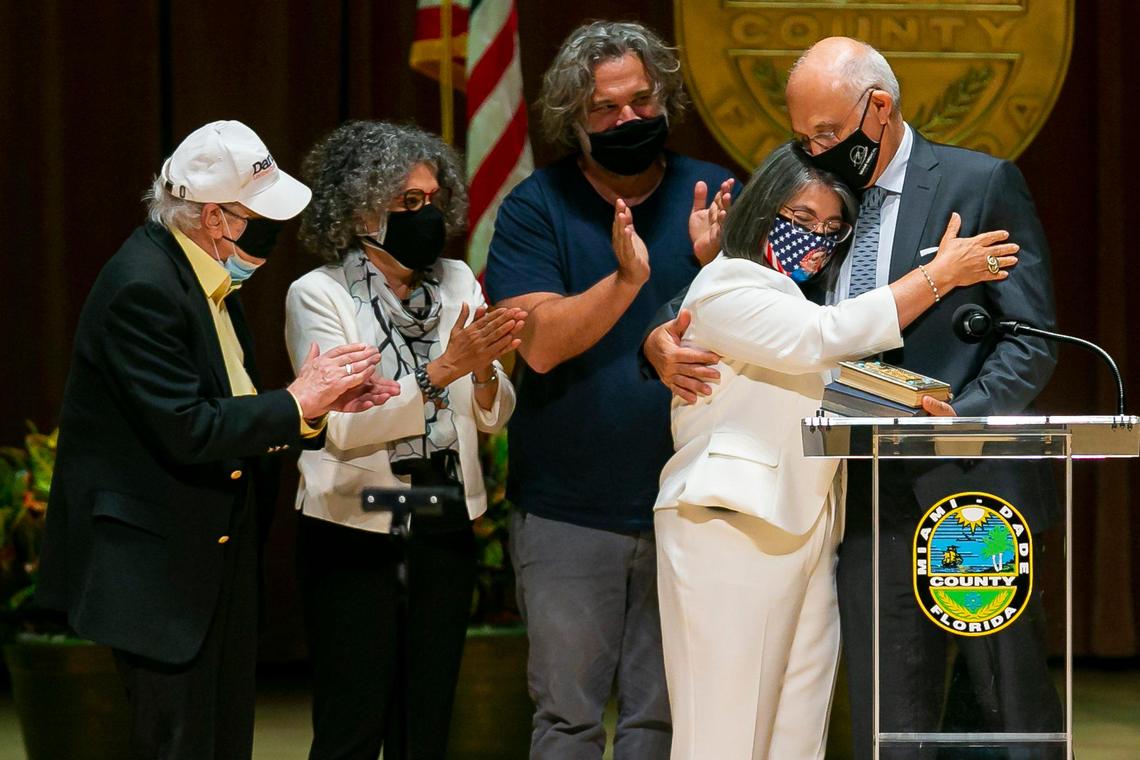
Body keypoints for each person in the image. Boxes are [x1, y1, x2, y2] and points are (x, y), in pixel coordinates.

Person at [649, 38, 1062, 759]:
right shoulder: (807, 200)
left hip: (963, 487)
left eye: (829, 134)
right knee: (885, 715)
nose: (815, 149)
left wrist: (951, 423)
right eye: (802, 137)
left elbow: (1029, 339)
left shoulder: (979, 182)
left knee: (1006, 698)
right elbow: (776, 318)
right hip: (849, 500)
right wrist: (656, 338)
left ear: (880, 107)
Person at [36, 120, 397, 760]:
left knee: (223, 741)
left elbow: (232, 407)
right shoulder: (144, 287)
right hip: (159, 577)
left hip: (213, 560)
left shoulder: (202, 280)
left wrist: (313, 410)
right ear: (213, 217)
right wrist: (295, 400)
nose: (270, 237)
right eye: (260, 219)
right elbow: (190, 427)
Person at [483, 20, 736, 760]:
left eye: (642, 100)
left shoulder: (716, 194)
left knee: (662, 721)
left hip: (690, 505)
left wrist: (720, 268)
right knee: (566, 718)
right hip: (570, 512)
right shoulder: (538, 206)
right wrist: (628, 280)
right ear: (574, 117)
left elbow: (775, 327)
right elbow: (542, 343)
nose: (629, 119)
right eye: (606, 109)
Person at [285, 120, 521, 760]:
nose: (428, 216)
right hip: (354, 522)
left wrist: (478, 370)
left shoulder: (457, 282)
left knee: (426, 718)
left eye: (433, 200)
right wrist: (443, 369)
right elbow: (343, 425)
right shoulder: (320, 295)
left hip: (442, 514)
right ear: (360, 209)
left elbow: (494, 413)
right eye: (408, 204)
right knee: (353, 720)